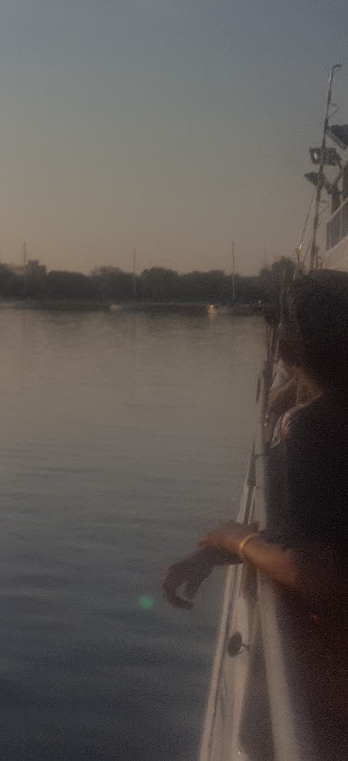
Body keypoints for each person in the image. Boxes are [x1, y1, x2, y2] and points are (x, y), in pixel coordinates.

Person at [163, 271, 348, 719]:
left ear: (283, 351)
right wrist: (222, 552)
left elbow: (321, 576)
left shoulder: (309, 430)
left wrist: (237, 542)